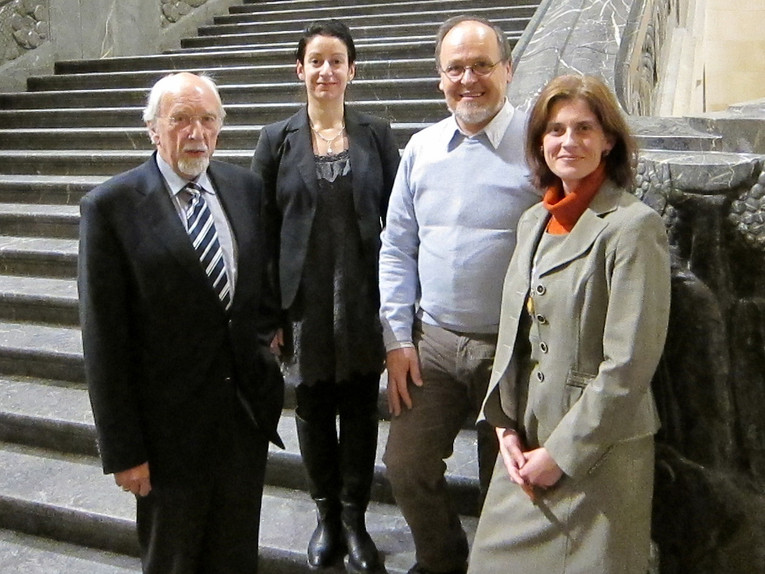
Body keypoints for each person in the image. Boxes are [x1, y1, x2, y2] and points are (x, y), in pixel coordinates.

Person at [78, 71, 284, 574]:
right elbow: (104, 342)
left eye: (208, 120)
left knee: (235, 557)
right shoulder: (110, 208)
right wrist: (124, 450)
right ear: (153, 128)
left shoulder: (245, 188)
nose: (197, 133)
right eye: (181, 120)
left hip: (241, 423)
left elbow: (257, 288)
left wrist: (265, 350)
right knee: (174, 560)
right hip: (166, 438)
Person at [467, 74, 671, 574]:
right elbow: (514, 333)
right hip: (526, 443)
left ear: (609, 141)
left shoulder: (633, 227)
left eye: (584, 128)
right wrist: (504, 426)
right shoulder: (532, 220)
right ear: (539, 142)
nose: (569, 141)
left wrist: (561, 454)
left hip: (595, 455)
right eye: (555, 130)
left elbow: (628, 366)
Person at [378, 15, 541, 574]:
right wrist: (398, 338)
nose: (468, 79)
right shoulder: (421, 150)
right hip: (435, 344)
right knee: (406, 463)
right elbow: (396, 247)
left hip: (516, 349)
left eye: (481, 66)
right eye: (455, 68)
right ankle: (443, 559)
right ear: (439, 77)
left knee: (508, 476)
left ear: (508, 70)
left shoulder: (540, 147)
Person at [251, 20, 400, 574]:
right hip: (304, 301)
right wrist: (269, 314)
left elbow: (401, 222)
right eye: (316, 60)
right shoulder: (275, 139)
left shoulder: (376, 135)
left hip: (361, 298)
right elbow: (260, 231)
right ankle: (326, 518)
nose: (326, 71)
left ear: (352, 70)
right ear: (300, 69)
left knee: (360, 411)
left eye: (336, 60)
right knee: (312, 410)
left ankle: (355, 517)